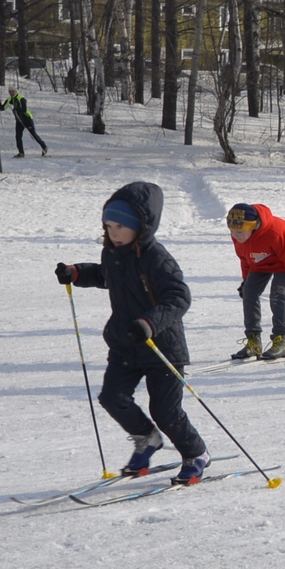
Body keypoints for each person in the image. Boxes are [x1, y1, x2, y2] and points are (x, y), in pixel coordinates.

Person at [55, 183, 210, 482]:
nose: (113, 233)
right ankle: (146, 437)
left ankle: (196, 453)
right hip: (125, 344)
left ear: (141, 226)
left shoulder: (157, 258)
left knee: (165, 412)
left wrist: (150, 324)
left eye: (121, 226)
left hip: (160, 346)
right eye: (109, 225)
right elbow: (105, 276)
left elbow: (178, 296)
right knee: (112, 397)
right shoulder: (113, 254)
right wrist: (76, 273)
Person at [222, 203, 285, 361]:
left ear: (253, 226)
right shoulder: (240, 235)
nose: (236, 236)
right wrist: (246, 281)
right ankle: (253, 341)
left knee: (278, 293)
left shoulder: (276, 233)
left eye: (240, 232)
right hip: (261, 260)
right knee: (249, 292)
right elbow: (246, 259)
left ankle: (281, 340)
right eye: (232, 231)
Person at [5, 84, 46, 157]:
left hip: (27, 119)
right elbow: (2, 108)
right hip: (19, 121)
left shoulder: (21, 98)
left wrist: (15, 108)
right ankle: (21, 153)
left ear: (16, 91)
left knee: (33, 134)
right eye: (10, 91)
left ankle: (44, 147)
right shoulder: (9, 99)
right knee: (18, 136)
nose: (11, 93)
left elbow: (24, 109)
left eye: (13, 91)